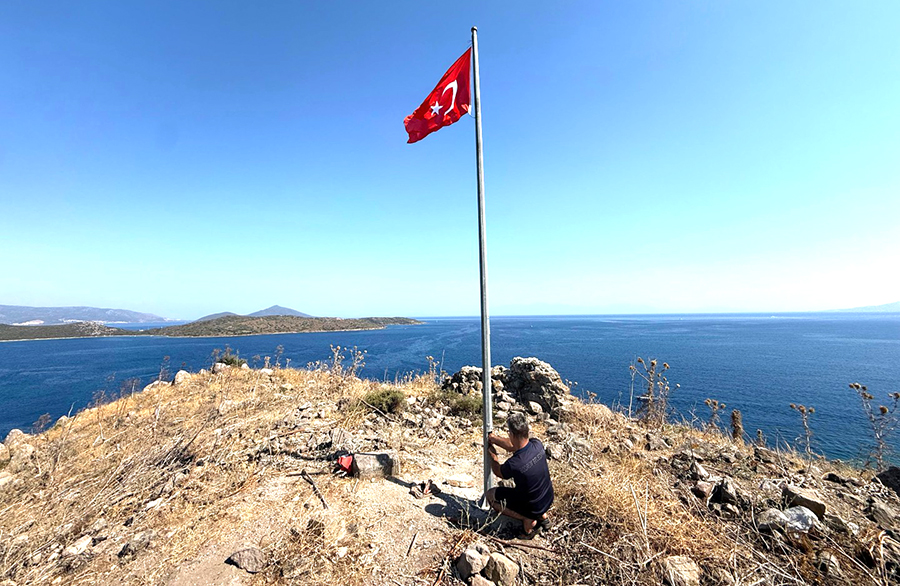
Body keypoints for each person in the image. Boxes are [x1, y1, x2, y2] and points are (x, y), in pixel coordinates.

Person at [486, 411, 554, 538]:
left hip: (532, 506)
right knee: (532, 488)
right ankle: (543, 516)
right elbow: (513, 446)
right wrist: (494, 439)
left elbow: (498, 471)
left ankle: (527, 519)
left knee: (490, 495)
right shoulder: (537, 444)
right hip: (548, 498)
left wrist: (492, 454)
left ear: (511, 434)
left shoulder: (515, 464)